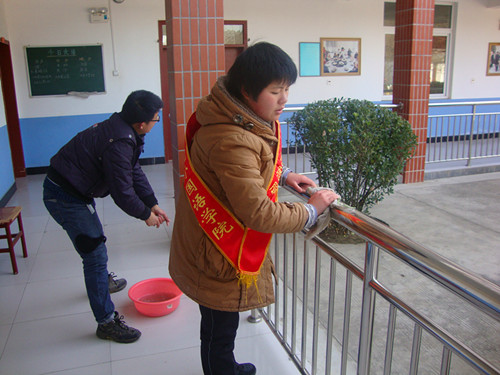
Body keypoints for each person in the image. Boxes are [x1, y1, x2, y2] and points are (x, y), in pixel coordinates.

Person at [169, 42, 339, 375]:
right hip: (217, 255)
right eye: (276, 91)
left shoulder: (232, 115)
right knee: (219, 330)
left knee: (219, 324)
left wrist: (286, 175)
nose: (284, 99)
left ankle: (225, 366)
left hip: (208, 244)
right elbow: (259, 212)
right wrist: (311, 211)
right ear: (247, 92)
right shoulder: (231, 137)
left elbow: (246, 168)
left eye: (287, 89)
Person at [43, 90, 170, 343]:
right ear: (141, 123)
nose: (157, 122)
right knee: (94, 255)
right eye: (156, 118)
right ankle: (106, 322)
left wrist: (152, 202)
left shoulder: (123, 129)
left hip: (74, 189)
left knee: (95, 246)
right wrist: (145, 214)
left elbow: (133, 171)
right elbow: (122, 192)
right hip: (65, 195)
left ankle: (101, 281)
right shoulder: (120, 141)